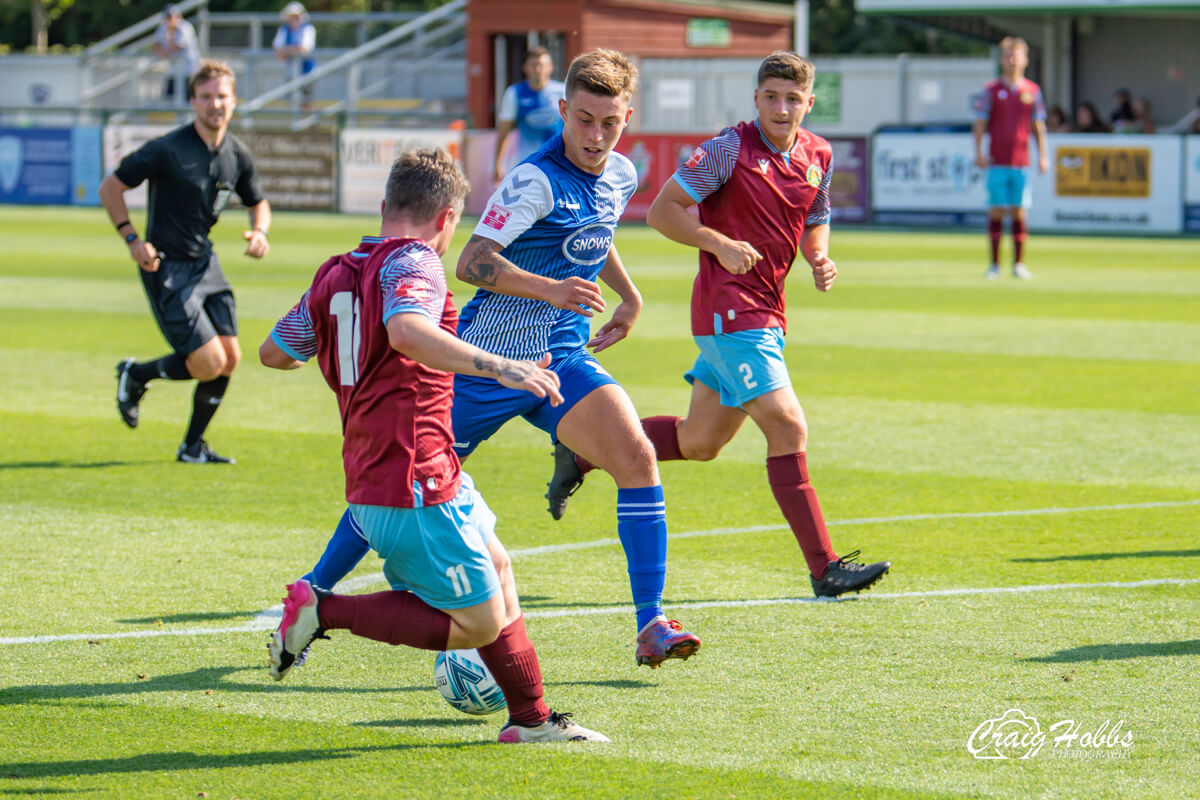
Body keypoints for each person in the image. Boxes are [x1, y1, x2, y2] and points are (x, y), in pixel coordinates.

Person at [260, 149, 608, 744]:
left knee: (498, 569)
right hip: (409, 477)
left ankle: (530, 719)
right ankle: (322, 610)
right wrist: (502, 366)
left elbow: (275, 352)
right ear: (448, 219)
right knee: (476, 623)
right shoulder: (417, 260)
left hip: (409, 467)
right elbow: (407, 331)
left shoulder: (336, 272)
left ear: (383, 207)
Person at [545, 51, 892, 601]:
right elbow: (664, 211)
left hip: (766, 311)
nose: (782, 108)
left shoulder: (817, 154)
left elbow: (816, 216)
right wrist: (718, 242)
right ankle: (825, 567)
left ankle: (584, 453)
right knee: (788, 428)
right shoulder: (728, 149)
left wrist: (818, 257)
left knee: (700, 441)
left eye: (793, 99)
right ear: (756, 99)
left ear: (809, 103)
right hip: (730, 312)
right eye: (771, 97)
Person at [99, 60, 271, 464]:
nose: (215, 104)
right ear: (193, 101)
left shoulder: (236, 154)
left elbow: (257, 201)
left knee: (230, 357)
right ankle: (136, 375)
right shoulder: (168, 149)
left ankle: (192, 447)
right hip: (166, 266)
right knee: (209, 361)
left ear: (234, 101)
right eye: (207, 96)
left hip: (204, 262)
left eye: (222, 96)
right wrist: (132, 238)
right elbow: (112, 187)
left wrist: (259, 230)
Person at [972, 36, 1048, 280]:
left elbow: (1038, 126)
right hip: (997, 160)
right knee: (996, 210)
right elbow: (980, 123)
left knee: (1019, 211)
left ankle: (1019, 264)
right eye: (1008, 56)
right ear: (1002, 60)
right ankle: (994, 264)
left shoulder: (1032, 91)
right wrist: (979, 152)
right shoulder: (991, 90)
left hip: (1021, 161)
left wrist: (1043, 155)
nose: (1013, 61)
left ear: (1025, 60)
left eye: (1017, 56)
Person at [492, 46, 566, 185]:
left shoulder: (562, 92)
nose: (538, 69)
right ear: (525, 68)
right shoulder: (514, 93)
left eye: (542, 65)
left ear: (550, 67)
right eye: (534, 65)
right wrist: (497, 163)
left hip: (559, 164)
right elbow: (503, 132)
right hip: (528, 164)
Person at [272, 2, 317, 110]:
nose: (294, 19)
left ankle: (309, 125)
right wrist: (294, 49)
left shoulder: (307, 28)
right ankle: (296, 125)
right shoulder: (284, 29)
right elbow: (277, 51)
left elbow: (304, 49)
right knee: (291, 102)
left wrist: (286, 50)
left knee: (307, 102)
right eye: (291, 16)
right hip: (291, 72)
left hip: (307, 73)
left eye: (296, 16)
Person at [153, 4, 200, 105]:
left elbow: (176, 46)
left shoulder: (185, 27)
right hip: (174, 72)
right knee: (168, 101)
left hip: (188, 72)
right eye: (167, 17)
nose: (169, 20)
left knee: (189, 102)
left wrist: (164, 52)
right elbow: (155, 44)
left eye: (171, 16)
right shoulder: (163, 27)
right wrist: (162, 52)